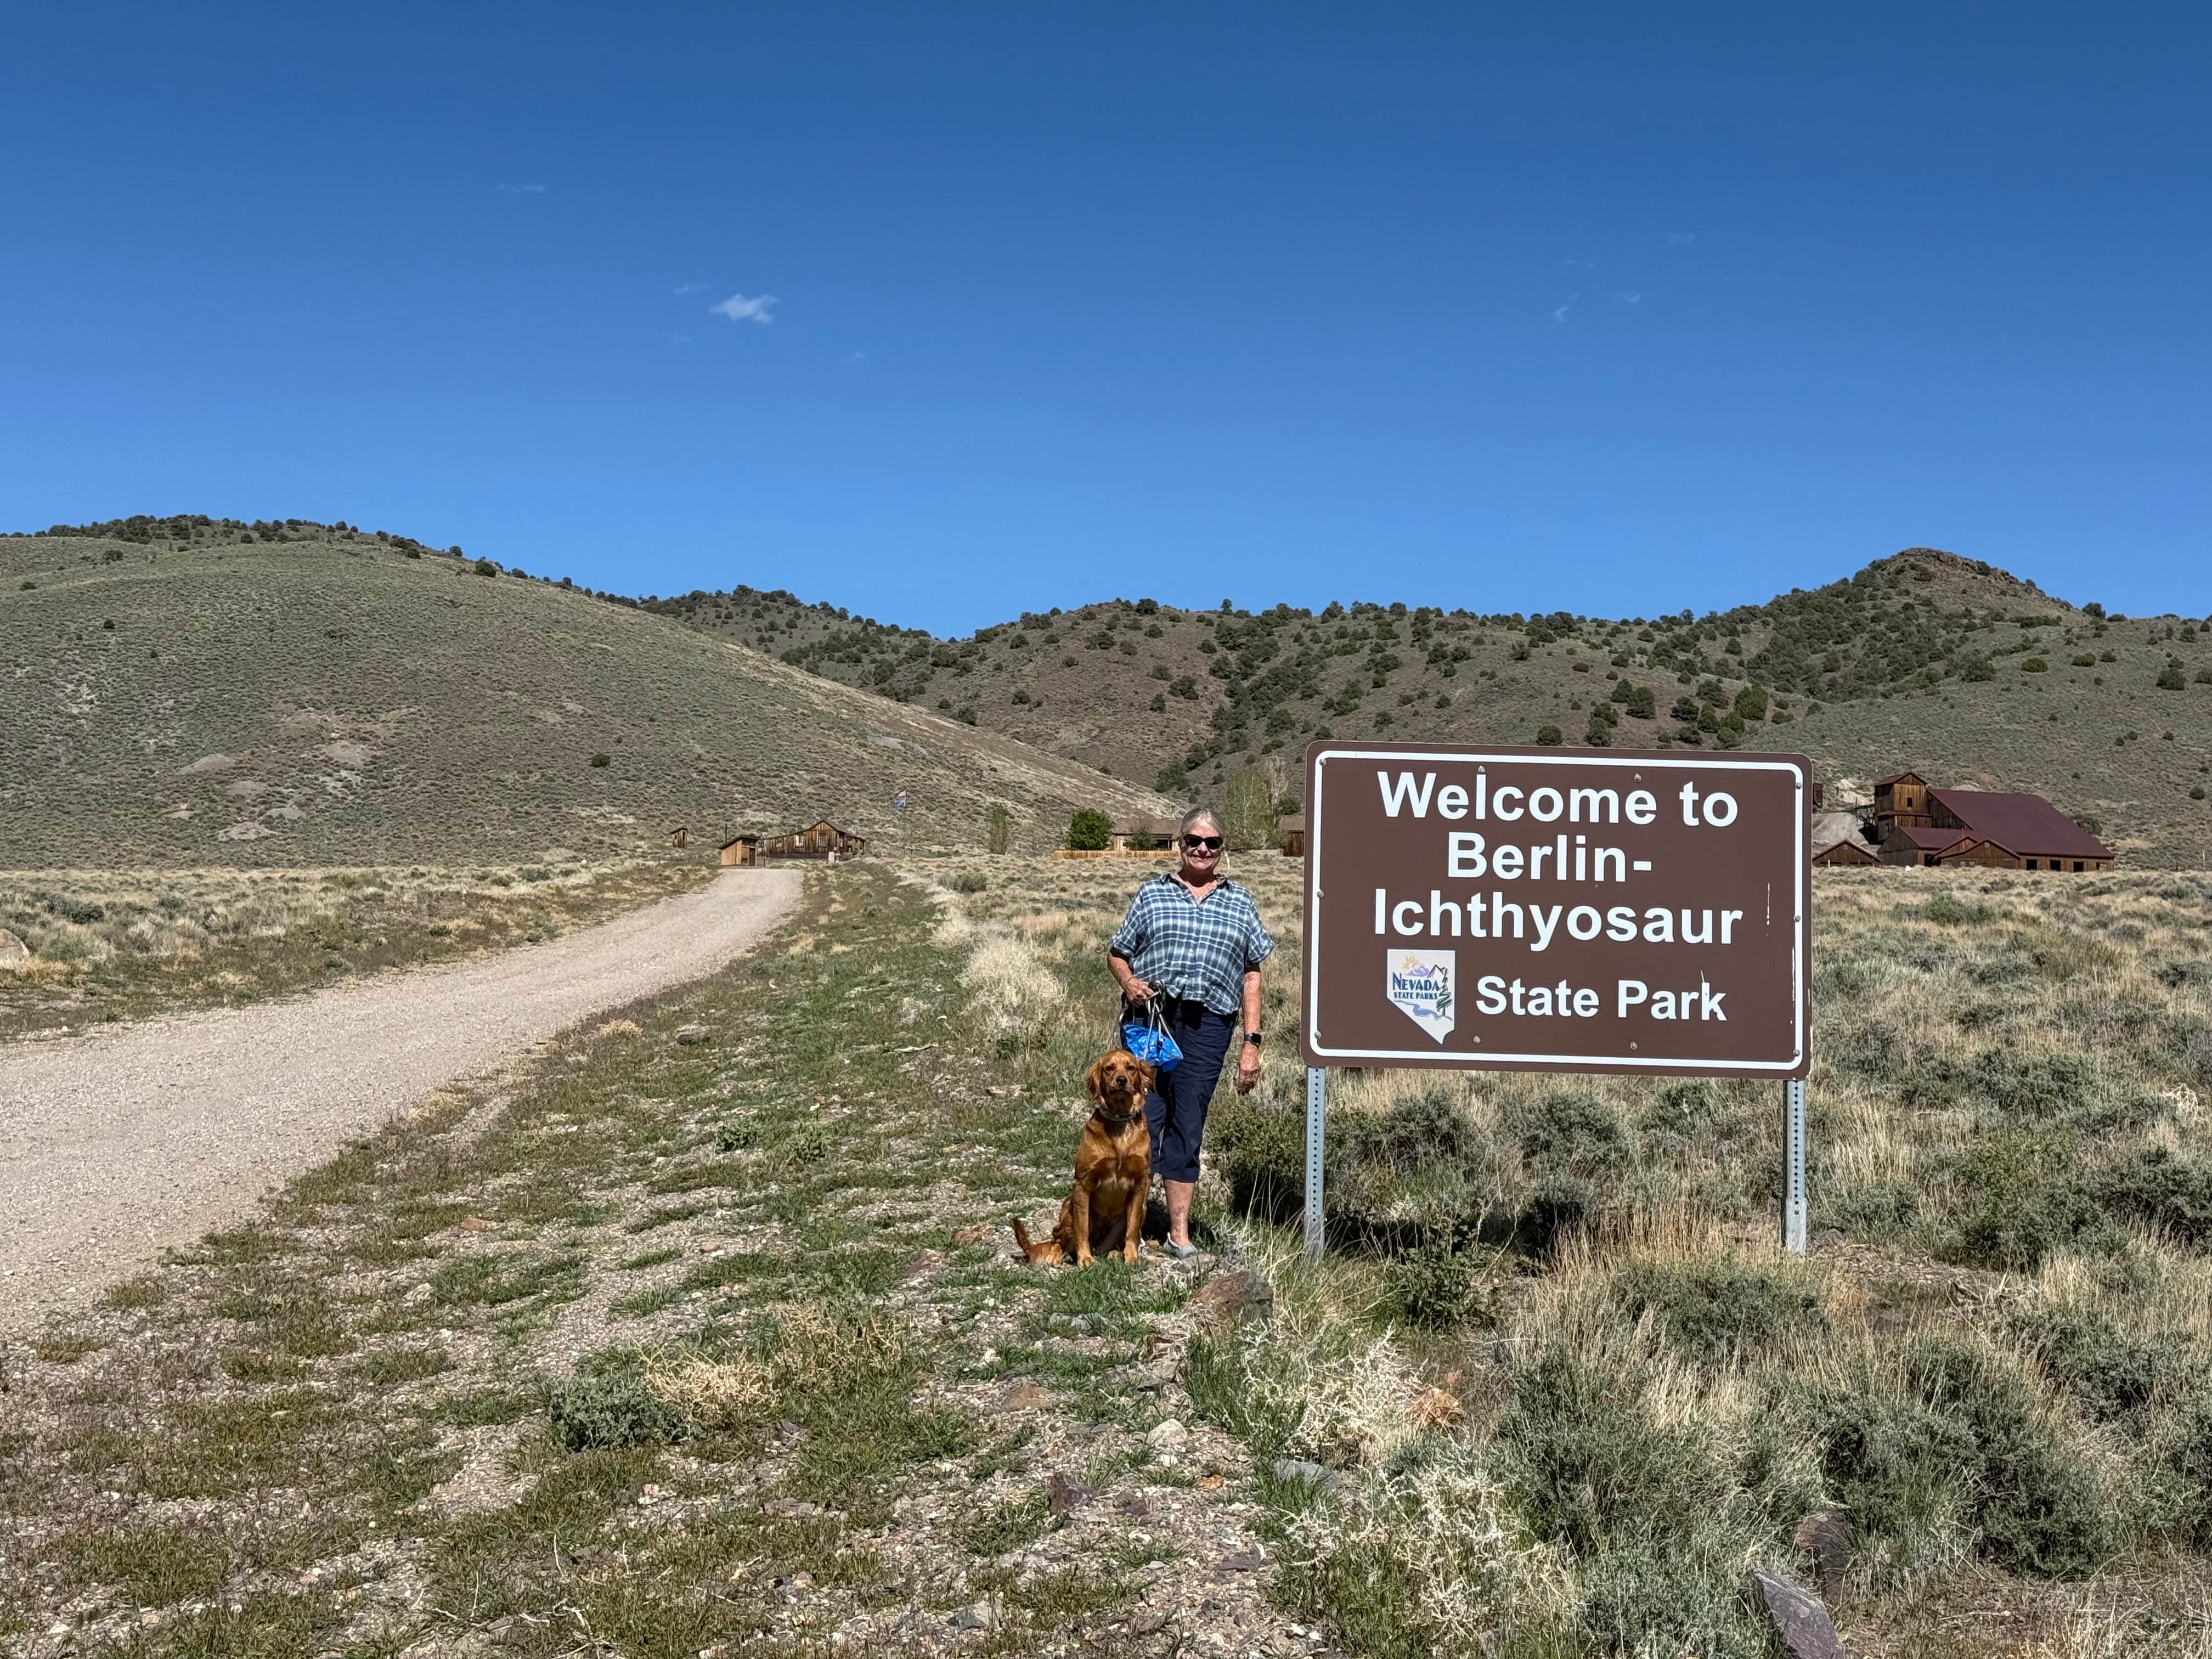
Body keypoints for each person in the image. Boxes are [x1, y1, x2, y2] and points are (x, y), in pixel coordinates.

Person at [1107, 806, 1273, 1258]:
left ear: (1223, 850)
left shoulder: (1240, 902)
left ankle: (1179, 1234)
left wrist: (1251, 1043)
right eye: (1194, 841)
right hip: (1152, 1022)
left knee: (1189, 1123)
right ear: (1180, 844)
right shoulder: (1152, 895)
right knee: (1143, 1119)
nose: (1202, 849)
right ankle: (1130, 1230)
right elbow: (1118, 953)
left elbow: (1251, 975)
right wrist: (1128, 982)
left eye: (1212, 843)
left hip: (1208, 1027)